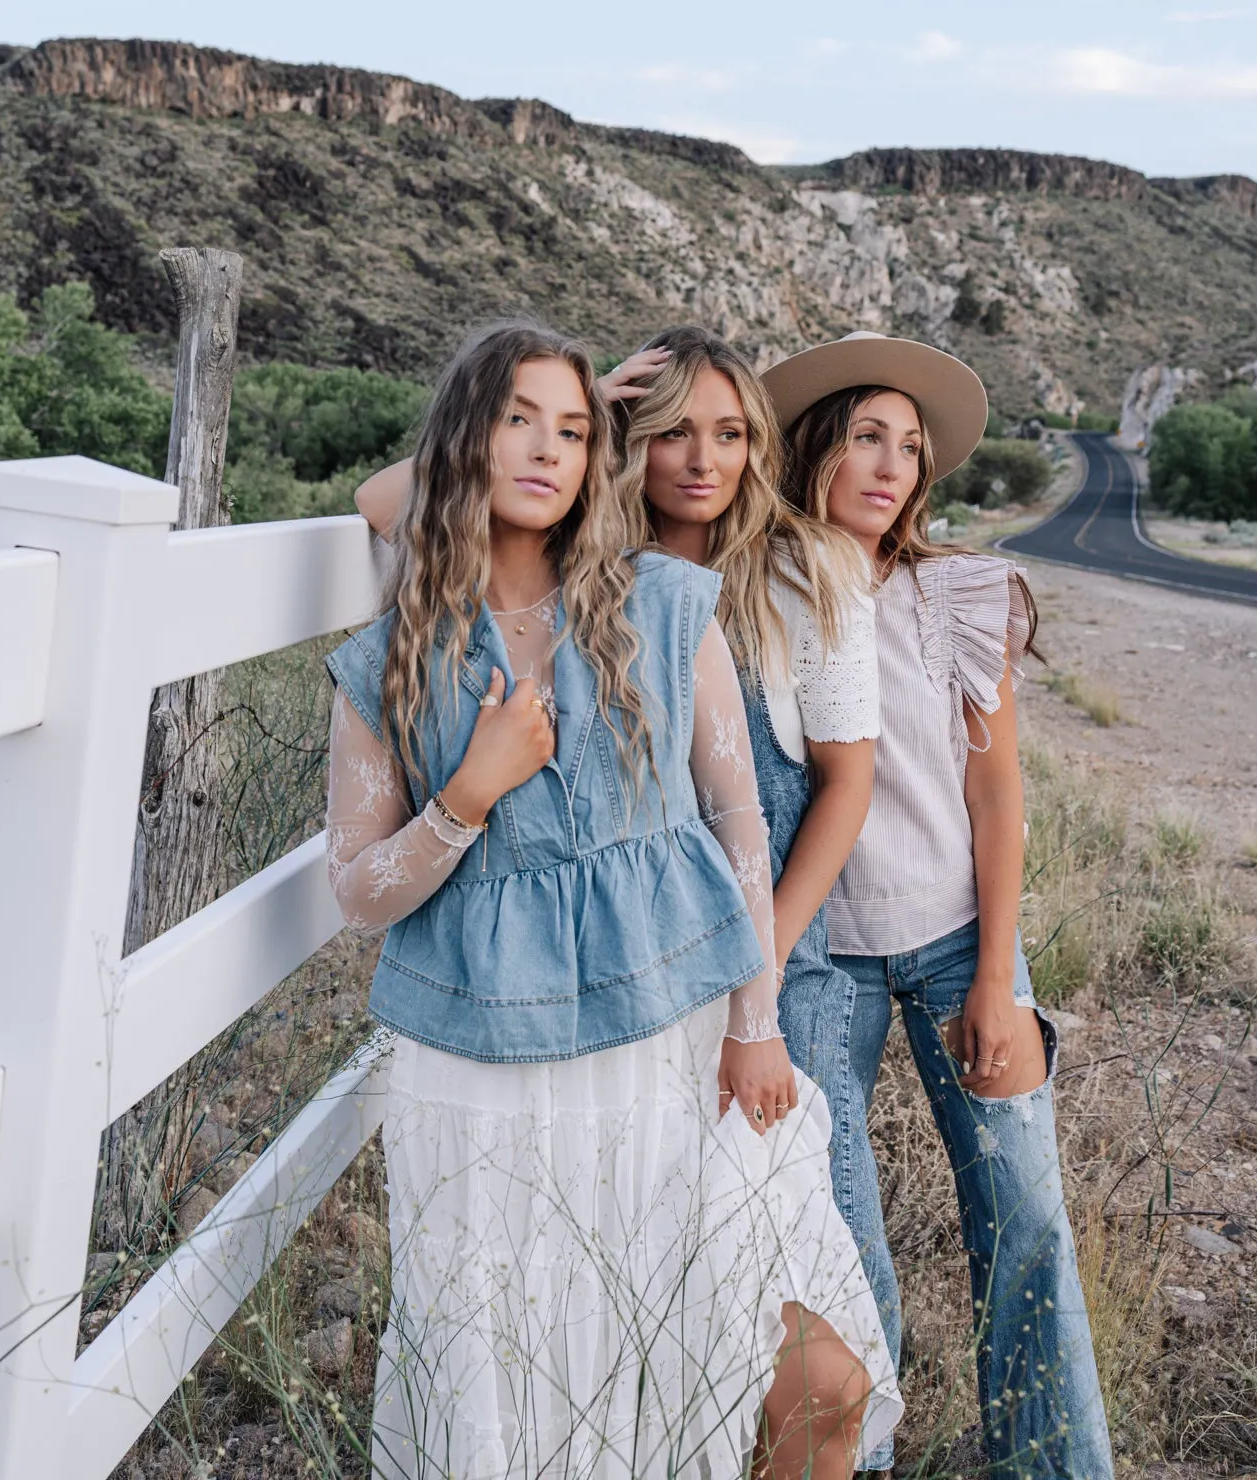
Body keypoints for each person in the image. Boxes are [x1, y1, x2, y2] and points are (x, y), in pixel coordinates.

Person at [329, 319, 901, 1479]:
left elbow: (739, 822)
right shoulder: (394, 656)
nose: (547, 448)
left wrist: (753, 1021)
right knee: (545, 1397)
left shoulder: (661, 597)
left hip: (682, 1039)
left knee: (817, 1382)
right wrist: (466, 797)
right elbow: (358, 890)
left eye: (576, 428)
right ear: (462, 440)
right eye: (517, 419)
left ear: (602, 458)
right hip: (487, 1069)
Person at [762, 329, 1114, 1480]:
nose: (888, 465)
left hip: (959, 934)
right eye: (865, 435)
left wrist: (995, 979)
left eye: (908, 448)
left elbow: (993, 789)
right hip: (818, 957)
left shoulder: (958, 590)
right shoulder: (752, 588)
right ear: (815, 444)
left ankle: (1052, 1464)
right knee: (832, 1243)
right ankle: (857, 1458)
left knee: (1023, 1221)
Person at [597, 326, 880, 1208]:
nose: (702, 459)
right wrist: (588, 400)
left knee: (826, 1237)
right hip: (633, 964)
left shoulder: (806, 567)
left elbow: (845, 784)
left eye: (729, 433)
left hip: (777, 960)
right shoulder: (591, 573)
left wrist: (758, 974)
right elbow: (388, 506)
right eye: (673, 429)